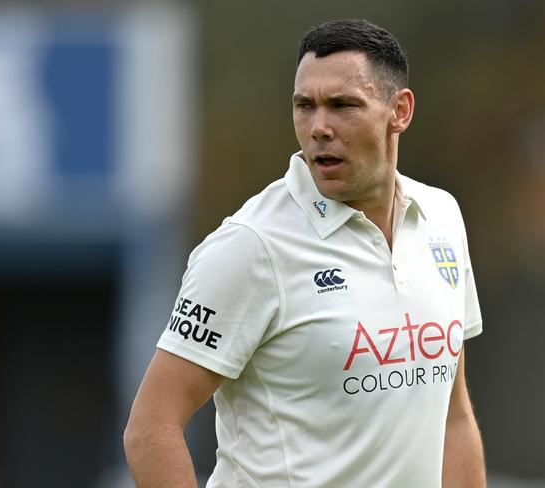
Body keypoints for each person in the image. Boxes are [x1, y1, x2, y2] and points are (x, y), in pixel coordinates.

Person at [124, 18, 486, 488]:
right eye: (304, 106)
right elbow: (151, 428)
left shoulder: (441, 216)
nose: (318, 128)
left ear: (400, 111)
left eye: (342, 106)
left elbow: (452, 417)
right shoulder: (251, 245)